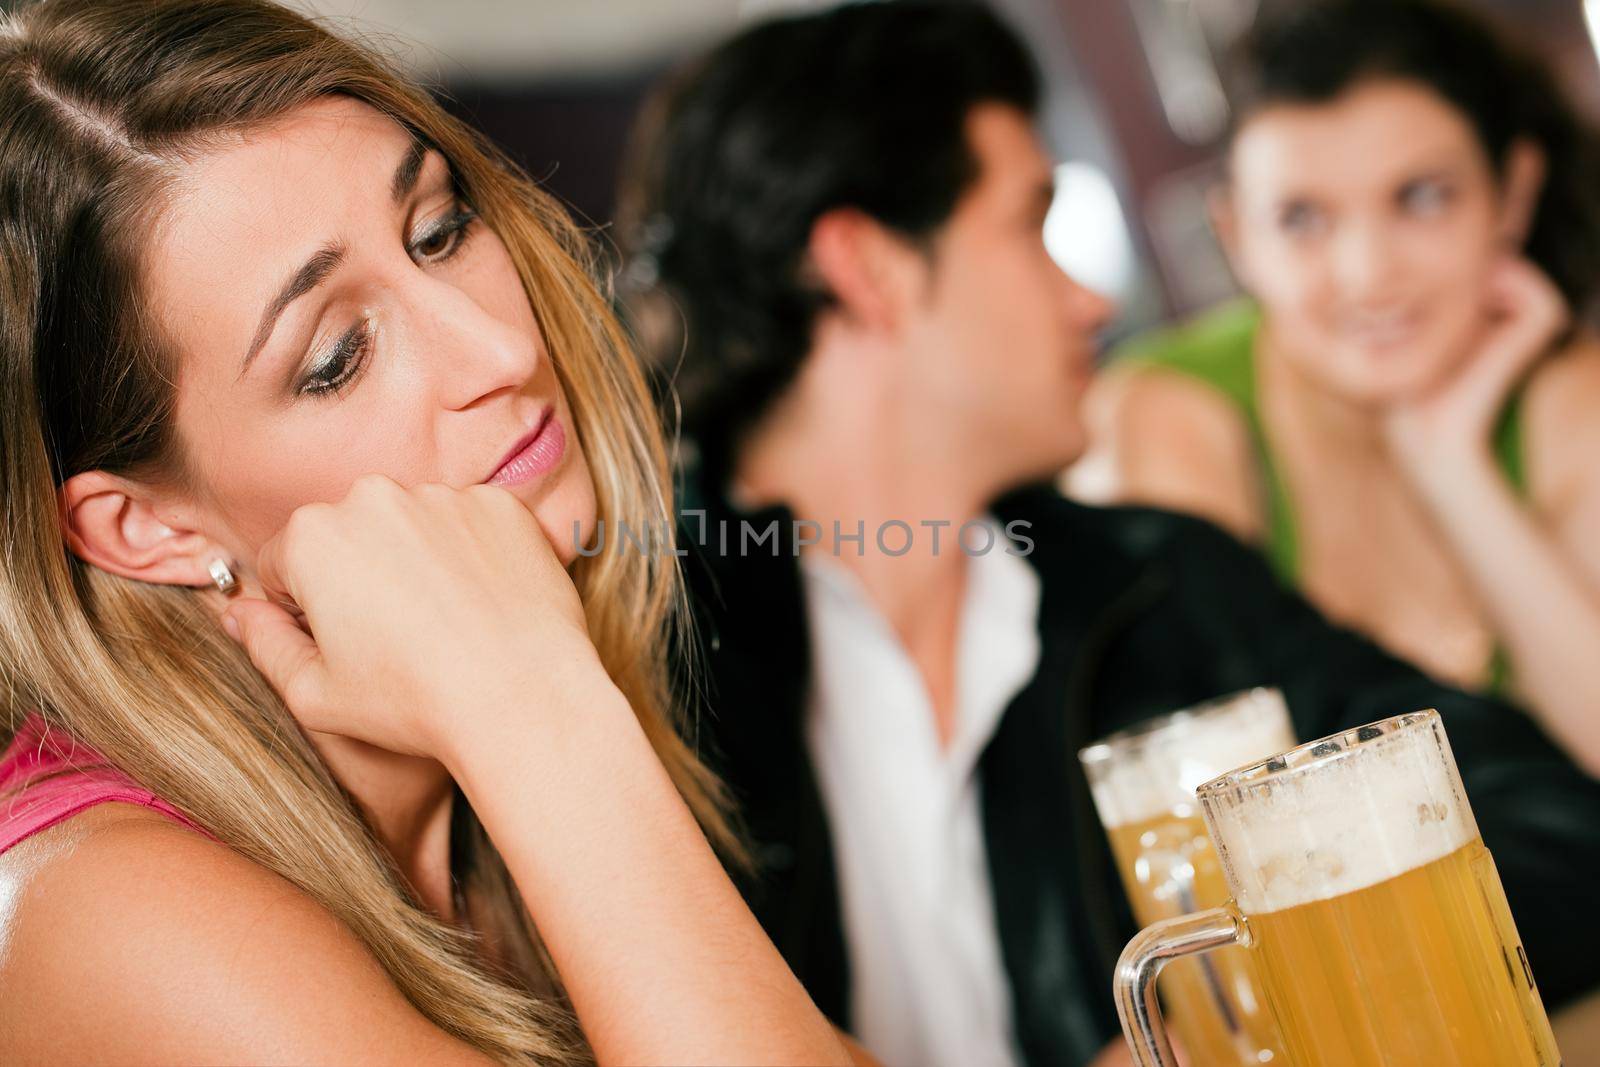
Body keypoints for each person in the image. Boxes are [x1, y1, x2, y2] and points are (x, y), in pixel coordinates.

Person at [616, 3, 1600, 1065]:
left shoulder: (1152, 576)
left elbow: (1562, 831)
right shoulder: (630, 647)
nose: (1089, 301)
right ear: (869, 267)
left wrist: (1205, 1026)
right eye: (1031, 223)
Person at [0, 1, 865, 1063]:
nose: (499, 347)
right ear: (144, 527)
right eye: (336, 357)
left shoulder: (469, 783)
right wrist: (531, 708)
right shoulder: (113, 918)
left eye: (440, 230)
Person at [1074, 0, 1600, 773]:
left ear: (1512, 196)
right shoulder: (1172, 411)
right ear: (1236, 237)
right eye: (1301, 218)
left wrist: (1455, 465)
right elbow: (1199, 795)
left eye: (1421, 197)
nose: (1367, 273)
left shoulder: (1567, 398)